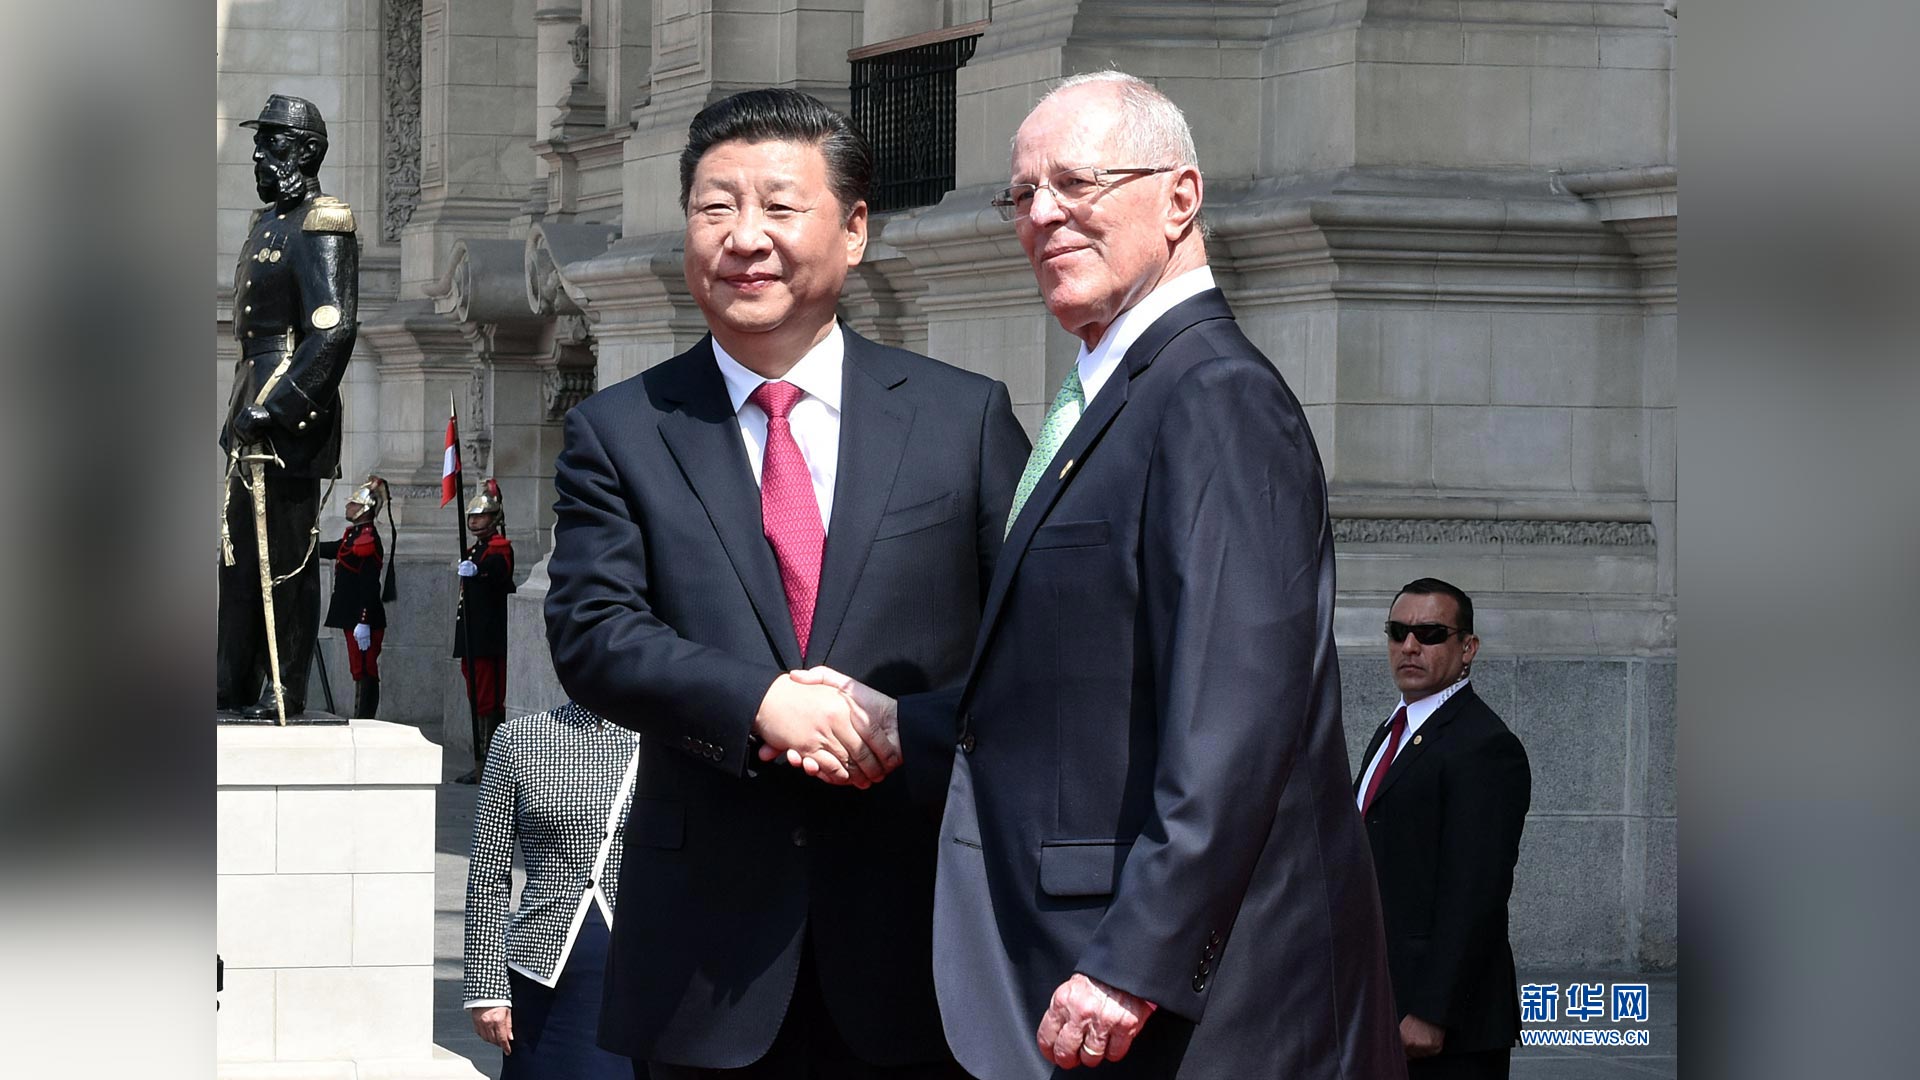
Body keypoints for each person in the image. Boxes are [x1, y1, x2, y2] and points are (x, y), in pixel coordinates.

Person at [791, 71, 1406, 1078]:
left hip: (1212, 1007)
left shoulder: (1215, 396)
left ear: (1180, 197)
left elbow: (1237, 717)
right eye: (1022, 194)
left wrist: (1135, 960)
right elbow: (1088, 691)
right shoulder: (1123, 390)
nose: (1041, 215)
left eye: (1077, 183)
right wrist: (908, 724)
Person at [542, 88, 1027, 1078]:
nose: (743, 238)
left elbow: (1036, 642)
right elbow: (594, 632)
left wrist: (910, 728)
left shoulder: (963, 419)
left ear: (854, 230)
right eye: (715, 207)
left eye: (777, 206)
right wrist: (760, 702)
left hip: (923, 943)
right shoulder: (621, 431)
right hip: (704, 968)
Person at [217, 93, 359, 719]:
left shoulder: (322, 222)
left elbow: (332, 329)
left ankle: (284, 685)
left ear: (306, 152)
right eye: (259, 142)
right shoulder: (265, 223)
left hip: (288, 415)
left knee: (286, 556)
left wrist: (276, 410)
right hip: (250, 398)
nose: (258, 155)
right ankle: (231, 679)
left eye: (272, 143)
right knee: (238, 556)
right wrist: (241, 409)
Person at [1356, 579, 1532, 1079]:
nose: (1410, 646)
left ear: (1467, 648)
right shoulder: (1395, 730)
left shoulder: (1484, 745)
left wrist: (1433, 1011)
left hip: (1444, 1026)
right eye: (1398, 632)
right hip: (1382, 1001)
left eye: (1431, 634)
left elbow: (1475, 892)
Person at [465, 701, 642, 1080]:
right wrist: (486, 988)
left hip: (642, 977)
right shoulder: (517, 738)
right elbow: (488, 872)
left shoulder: (666, 736)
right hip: (541, 981)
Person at [314, 475, 394, 719]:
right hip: (352, 615)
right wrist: (308, 544)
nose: (348, 507)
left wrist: (364, 620)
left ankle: (365, 718)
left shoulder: (367, 539)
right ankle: (360, 716)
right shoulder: (354, 535)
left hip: (362, 617)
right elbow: (334, 549)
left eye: (353, 504)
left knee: (366, 669)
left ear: (364, 509)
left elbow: (368, 584)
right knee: (358, 668)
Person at [454, 478, 515, 783]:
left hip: (487, 635)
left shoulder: (498, 548)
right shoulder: (474, 550)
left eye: (481, 516)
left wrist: (479, 571)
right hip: (473, 634)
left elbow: (500, 572)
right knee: (476, 694)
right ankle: (480, 762)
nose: (474, 521)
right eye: (472, 516)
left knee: (489, 698)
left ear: (494, 518)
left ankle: (489, 765)